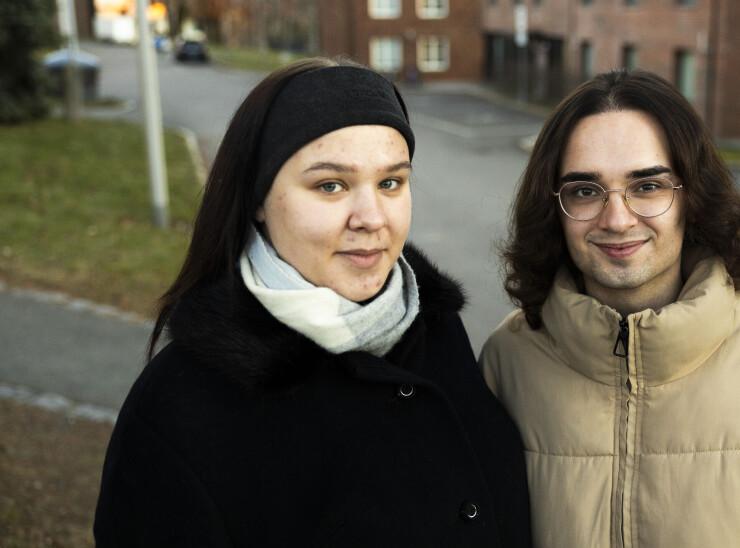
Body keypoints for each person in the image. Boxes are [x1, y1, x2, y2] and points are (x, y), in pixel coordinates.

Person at [94, 57, 532, 546]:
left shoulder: (431, 325)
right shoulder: (179, 410)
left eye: (391, 182)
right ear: (258, 199)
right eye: (330, 185)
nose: (371, 218)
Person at [480, 69, 740, 547]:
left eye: (647, 186)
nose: (617, 219)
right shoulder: (506, 363)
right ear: (554, 208)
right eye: (585, 191)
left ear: (691, 196)